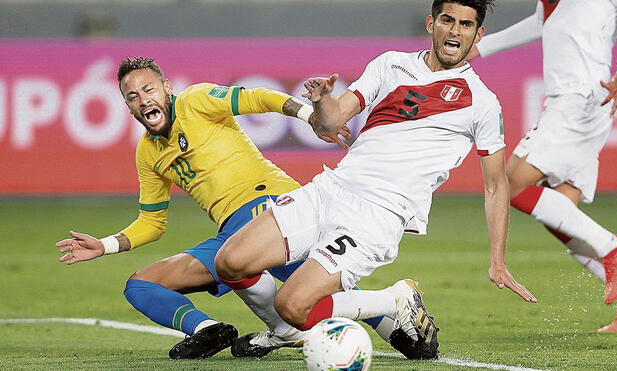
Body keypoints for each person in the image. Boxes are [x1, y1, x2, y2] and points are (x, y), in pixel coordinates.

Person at [214, 0, 537, 360]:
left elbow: (496, 185)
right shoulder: (390, 64)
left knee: (292, 304)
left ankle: (393, 300)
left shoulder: (482, 102)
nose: (455, 31)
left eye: (465, 24)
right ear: (432, 24)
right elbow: (331, 122)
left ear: (478, 34)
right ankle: (285, 332)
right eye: (448, 20)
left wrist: (497, 259)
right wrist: (322, 100)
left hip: (376, 215)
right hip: (331, 189)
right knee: (231, 262)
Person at [54, 57, 399, 360]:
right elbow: (152, 222)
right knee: (141, 285)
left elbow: (259, 97)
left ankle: (390, 312)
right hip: (231, 234)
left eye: (149, 89)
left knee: (303, 286)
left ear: (166, 88)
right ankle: (210, 330)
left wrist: (309, 115)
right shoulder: (148, 152)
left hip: (272, 206)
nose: (144, 100)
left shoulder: (195, 101)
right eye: (133, 96)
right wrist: (105, 245)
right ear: (127, 107)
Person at [468, 0, 617, 332]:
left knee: (507, 185)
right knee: (563, 216)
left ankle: (614, 246)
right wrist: (481, 47)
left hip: (582, 101)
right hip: (575, 103)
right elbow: (538, 22)